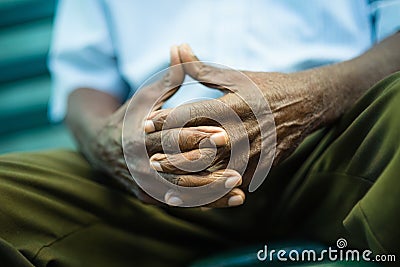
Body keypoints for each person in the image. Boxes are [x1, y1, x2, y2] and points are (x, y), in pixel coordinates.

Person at [0, 0, 399, 266]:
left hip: (339, 134)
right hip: (153, 173)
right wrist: (107, 139)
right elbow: (84, 81)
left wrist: (313, 99)